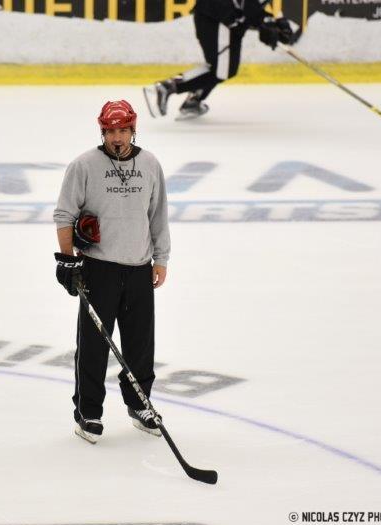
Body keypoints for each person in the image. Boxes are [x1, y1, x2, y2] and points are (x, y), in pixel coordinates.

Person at [53, 100, 171, 444]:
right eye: (110, 131)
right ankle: (88, 411)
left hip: (139, 268)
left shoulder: (149, 164)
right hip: (99, 268)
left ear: (133, 130)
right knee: (93, 346)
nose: (116, 138)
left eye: (122, 130)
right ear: (102, 131)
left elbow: (158, 215)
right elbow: (65, 215)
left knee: (140, 345)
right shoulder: (84, 166)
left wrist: (160, 259)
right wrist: (68, 260)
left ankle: (140, 404)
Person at [143, 0, 301, 120]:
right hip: (218, 18)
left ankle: (194, 100)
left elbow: (255, 8)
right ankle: (167, 88)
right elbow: (249, 9)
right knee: (223, 70)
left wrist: (278, 24)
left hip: (221, 18)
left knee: (222, 68)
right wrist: (266, 28)